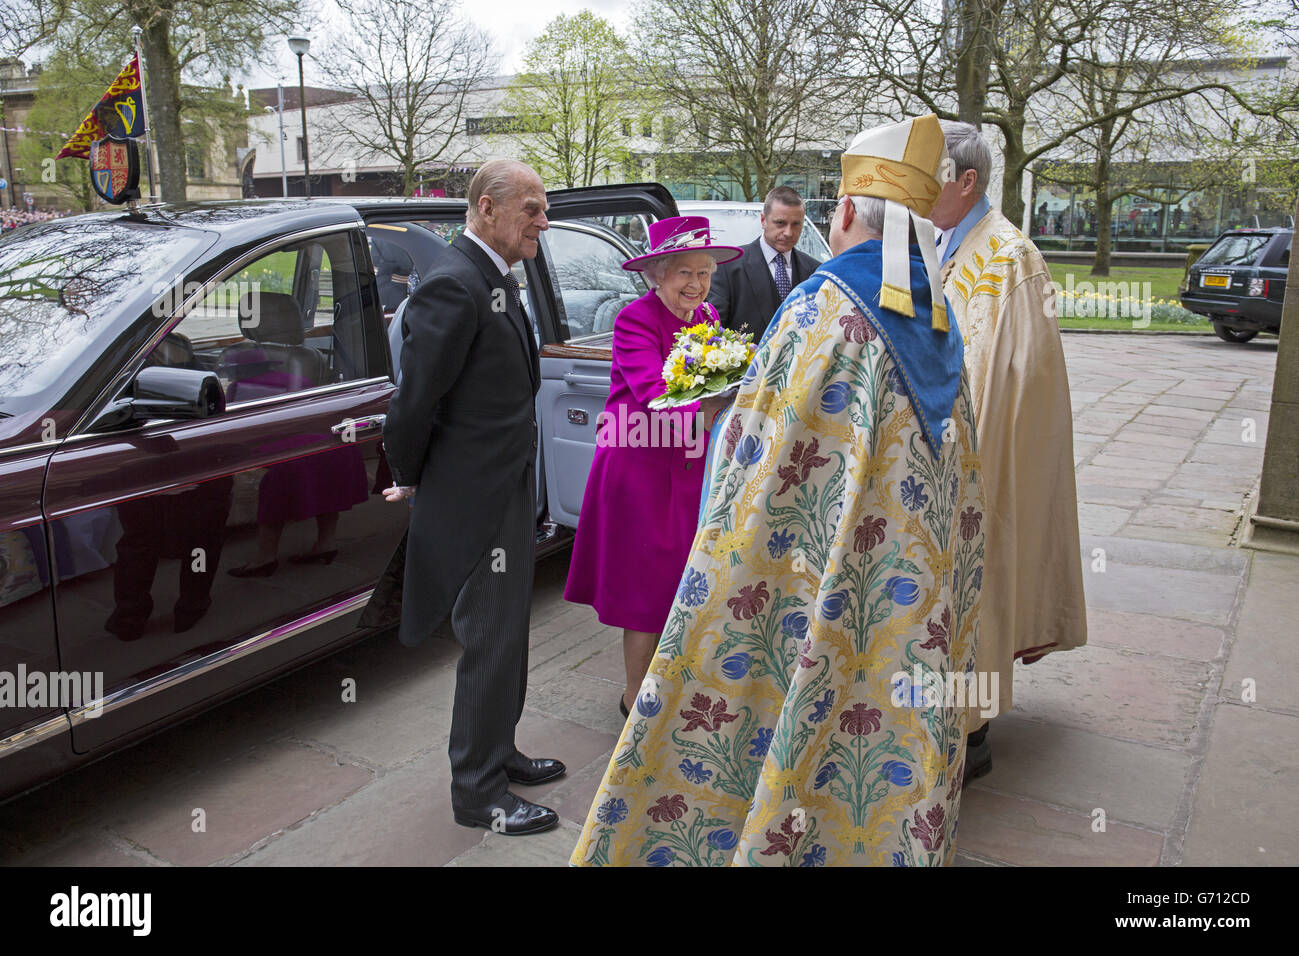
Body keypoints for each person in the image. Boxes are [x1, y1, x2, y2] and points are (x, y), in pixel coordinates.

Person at [571, 114, 986, 867]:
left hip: (811, 585)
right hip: (907, 594)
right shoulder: (939, 315)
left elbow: (753, 464)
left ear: (853, 212)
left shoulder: (822, 312)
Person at [370, 159, 565, 836]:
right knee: (488, 636)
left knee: (509, 632)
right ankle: (478, 792)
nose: (543, 221)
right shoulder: (453, 285)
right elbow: (414, 400)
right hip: (473, 496)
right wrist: (415, 476)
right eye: (532, 209)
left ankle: (499, 751)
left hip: (504, 487)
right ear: (487, 208)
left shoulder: (491, 277)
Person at [930, 121, 1087, 782]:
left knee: (979, 585)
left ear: (967, 183)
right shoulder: (943, 242)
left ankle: (975, 735)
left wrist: (977, 457)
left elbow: (1022, 376)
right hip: (943, 450)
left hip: (983, 454)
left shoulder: (1010, 257)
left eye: (930, 175)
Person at [563, 216, 742, 719]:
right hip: (640, 470)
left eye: (703, 273)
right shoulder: (634, 320)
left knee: (687, 583)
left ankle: (675, 685)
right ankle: (635, 701)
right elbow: (654, 394)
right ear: (656, 275)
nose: (696, 284)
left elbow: (720, 378)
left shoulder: (706, 315)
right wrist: (712, 409)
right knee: (645, 592)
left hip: (690, 468)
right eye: (684, 272)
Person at [706, 185, 820, 335]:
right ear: (763, 220)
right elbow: (714, 332)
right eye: (780, 223)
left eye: (796, 224)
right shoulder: (727, 267)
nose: (788, 232)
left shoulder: (816, 272)